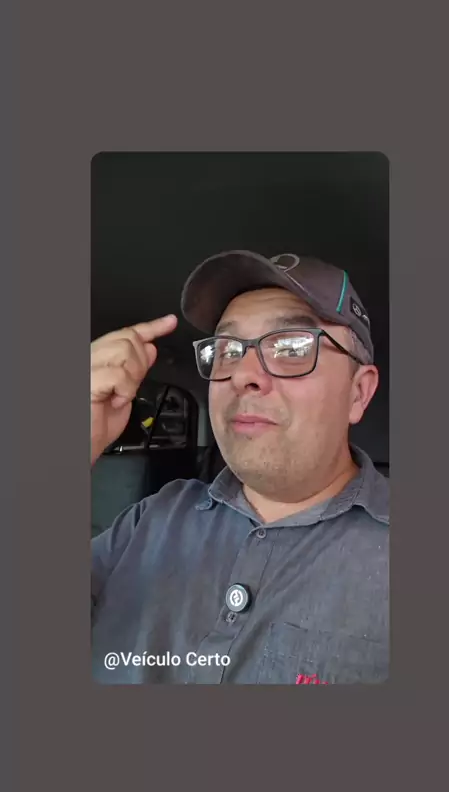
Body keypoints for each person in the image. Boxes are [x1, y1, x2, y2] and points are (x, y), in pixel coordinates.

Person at [91, 250, 389, 685]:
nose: (242, 374)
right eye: (227, 350)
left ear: (358, 393)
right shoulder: (153, 518)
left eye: (291, 347)